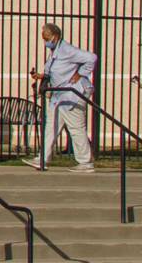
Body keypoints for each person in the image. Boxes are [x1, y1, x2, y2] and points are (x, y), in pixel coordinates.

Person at [29, 23, 97, 170]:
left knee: (76, 128)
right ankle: (43, 158)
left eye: (47, 38)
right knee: (51, 127)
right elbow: (56, 72)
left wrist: (80, 73)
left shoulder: (67, 50)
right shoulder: (55, 52)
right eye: (43, 38)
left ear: (55, 36)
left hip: (72, 94)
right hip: (59, 96)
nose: (45, 41)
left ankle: (85, 162)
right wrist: (41, 76)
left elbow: (92, 58)